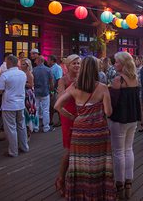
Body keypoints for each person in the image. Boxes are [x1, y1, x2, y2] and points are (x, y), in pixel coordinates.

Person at [54, 56, 116, 200]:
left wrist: (72, 117)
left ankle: (79, 192)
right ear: (96, 69)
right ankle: (97, 192)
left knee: (80, 162)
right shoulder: (102, 87)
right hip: (98, 130)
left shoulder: (74, 86)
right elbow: (108, 112)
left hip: (79, 129)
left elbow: (57, 106)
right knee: (97, 162)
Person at [108, 52, 141, 199]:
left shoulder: (118, 80)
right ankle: (129, 183)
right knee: (128, 149)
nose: (114, 64)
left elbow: (112, 102)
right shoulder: (134, 79)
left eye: (116, 62)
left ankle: (119, 184)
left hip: (119, 119)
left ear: (122, 64)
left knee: (118, 152)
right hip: (132, 118)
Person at [54, 54, 81, 196]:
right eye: (74, 63)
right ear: (68, 65)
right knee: (70, 150)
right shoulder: (63, 80)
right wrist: (69, 116)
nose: (77, 65)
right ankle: (61, 179)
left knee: (79, 149)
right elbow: (59, 102)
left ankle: (74, 181)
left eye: (78, 63)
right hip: (68, 115)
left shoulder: (82, 79)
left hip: (81, 114)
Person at [0, 55, 29, 157]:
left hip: (9, 104)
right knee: (21, 126)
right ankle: (24, 147)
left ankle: (13, 151)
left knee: (11, 128)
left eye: (6, 62)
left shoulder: (5, 75)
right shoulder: (22, 74)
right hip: (20, 103)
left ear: (9, 63)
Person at [32, 56, 54, 132]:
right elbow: (51, 82)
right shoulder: (48, 70)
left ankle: (36, 127)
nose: (34, 62)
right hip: (45, 91)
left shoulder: (34, 70)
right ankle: (46, 127)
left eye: (35, 60)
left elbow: (32, 81)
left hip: (36, 92)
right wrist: (51, 91)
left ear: (38, 61)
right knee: (45, 110)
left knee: (36, 110)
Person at [19, 58, 37, 139]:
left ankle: (29, 131)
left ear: (27, 65)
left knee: (28, 111)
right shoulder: (21, 73)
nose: (21, 65)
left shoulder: (29, 74)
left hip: (28, 94)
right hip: (22, 93)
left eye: (23, 64)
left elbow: (31, 85)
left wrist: (22, 83)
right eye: (21, 64)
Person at [48, 55, 63, 127]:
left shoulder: (57, 68)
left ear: (52, 60)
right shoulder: (50, 68)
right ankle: (50, 120)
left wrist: (54, 89)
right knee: (51, 106)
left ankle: (60, 120)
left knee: (56, 105)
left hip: (55, 90)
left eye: (48, 60)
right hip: (51, 89)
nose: (47, 61)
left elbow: (59, 79)